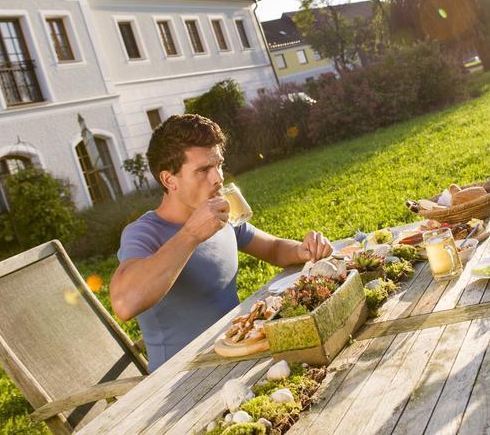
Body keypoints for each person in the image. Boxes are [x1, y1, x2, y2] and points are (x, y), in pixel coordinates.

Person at [109, 113, 333, 371]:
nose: (218, 178)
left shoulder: (220, 214)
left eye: (219, 165)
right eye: (203, 170)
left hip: (240, 353)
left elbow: (272, 249)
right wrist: (191, 234)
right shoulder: (143, 233)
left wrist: (303, 250)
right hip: (183, 378)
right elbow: (125, 304)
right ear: (169, 180)